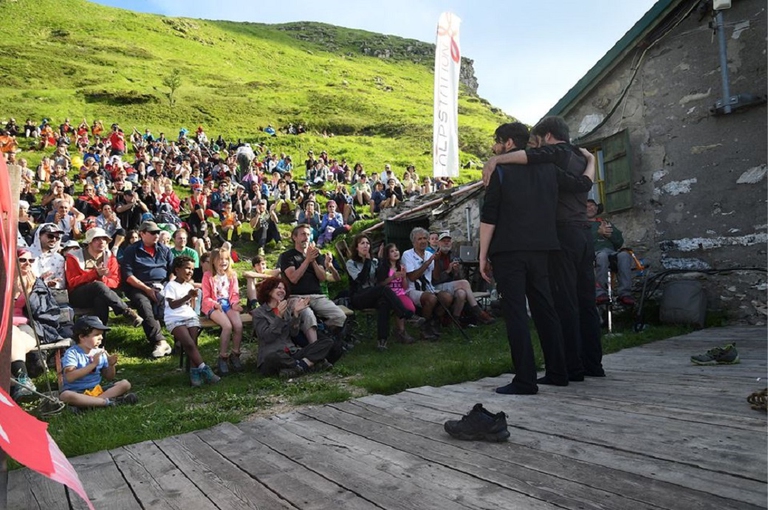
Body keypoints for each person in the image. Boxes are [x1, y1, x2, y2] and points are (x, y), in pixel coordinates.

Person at [482, 116, 604, 380]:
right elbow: (584, 184)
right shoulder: (578, 159)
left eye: (537, 142)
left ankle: (568, 368)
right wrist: (593, 160)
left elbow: (525, 159)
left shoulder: (553, 154)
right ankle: (591, 365)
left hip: (558, 237)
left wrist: (496, 161)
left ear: (548, 137)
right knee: (585, 302)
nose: (535, 148)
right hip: (580, 234)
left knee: (563, 303)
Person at [346, 234, 426, 351]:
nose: (365, 246)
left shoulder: (375, 261)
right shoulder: (351, 263)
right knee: (384, 289)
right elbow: (360, 280)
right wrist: (367, 262)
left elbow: (381, 276)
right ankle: (407, 315)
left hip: (374, 295)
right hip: (359, 296)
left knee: (384, 302)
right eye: (362, 243)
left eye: (367, 243)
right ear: (356, 247)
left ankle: (382, 341)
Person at [251, 277, 335, 378]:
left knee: (326, 342)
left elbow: (293, 333)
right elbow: (267, 337)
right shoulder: (258, 313)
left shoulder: (285, 310)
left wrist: (296, 314)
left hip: (291, 353)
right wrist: (279, 318)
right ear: (268, 291)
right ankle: (311, 364)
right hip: (272, 356)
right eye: (279, 288)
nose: (282, 291)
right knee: (274, 357)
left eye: (284, 289)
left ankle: (298, 367)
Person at [278, 224, 347, 344]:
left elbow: (321, 278)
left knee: (340, 316)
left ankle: (322, 334)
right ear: (294, 237)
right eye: (303, 234)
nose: (306, 237)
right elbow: (293, 278)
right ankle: (315, 350)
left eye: (309, 235)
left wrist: (313, 261)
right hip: (296, 296)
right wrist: (306, 260)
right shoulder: (287, 256)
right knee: (309, 316)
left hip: (317, 296)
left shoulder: (316, 255)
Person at [65, 227, 143, 329]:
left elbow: (115, 282)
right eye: (97, 239)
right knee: (98, 285)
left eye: (104, 239)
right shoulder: (74, 257)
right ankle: (126, 311)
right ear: (89, 242)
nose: (101, 242)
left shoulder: (110, 257)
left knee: (100, 299)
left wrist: (102, 279)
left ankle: (100, 340)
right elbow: (72, 282)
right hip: (78, 295)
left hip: (102, 294)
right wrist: (94, 274)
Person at [59, 316, 138, 410]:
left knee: (125, 384)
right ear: (82, 337)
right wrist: (92, 365)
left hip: (97, 390)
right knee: (65, 395)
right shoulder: (72, 353)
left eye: (101, 334)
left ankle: (91, 403)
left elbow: (109, 377)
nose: (101, 337)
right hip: (77, 392)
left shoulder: (100, 352)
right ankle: (108, 402)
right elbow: (70, 377)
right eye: (96, 335)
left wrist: (111, 364)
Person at [121, 220, 175, 358]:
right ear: (142, 234)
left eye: (157, 232)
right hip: (138, 286)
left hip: (161, 284)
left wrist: (170, 284)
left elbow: (173, 270)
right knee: (144, 304)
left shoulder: (164, 249)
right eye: (152, 232)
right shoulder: (131, 250)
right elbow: (128, 275)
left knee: (172, 301)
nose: (156, 235)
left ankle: (181, 339)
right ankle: (159, 341)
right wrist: (146, 289)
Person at [164, 256, 220, 386]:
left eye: (192, 269)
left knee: (193, 344)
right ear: (177, 270)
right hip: (175, 318)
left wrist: (192, 299)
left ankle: (194, 373)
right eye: (187, 268)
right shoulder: (171, 285)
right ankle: (205, 370)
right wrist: (187, 296)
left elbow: (191, 306)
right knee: (188, 344)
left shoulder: (189, 285)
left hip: (190, 317)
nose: (190, 271)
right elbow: (172, 305)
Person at [431, 232, 495, 325]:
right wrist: (448, 271)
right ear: (439, 243)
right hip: (436, 286)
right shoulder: (435, 257)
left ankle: (455, 320)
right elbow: (435, 279)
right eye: (444, 241)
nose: (446, 243)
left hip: (450, 285)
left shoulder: (452, 256)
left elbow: (458, 278)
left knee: (462, 293)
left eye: (448, 241)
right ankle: (478, 312)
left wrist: (456, 272)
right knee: (464, 283)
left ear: (451, 243)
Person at [402, 227, 453, 340]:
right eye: (419, 239)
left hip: (428, 288)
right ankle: (424, 328)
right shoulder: (407, 255)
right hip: (412, 289)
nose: (423, 241)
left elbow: (435, 276)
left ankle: (434, 322)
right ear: (413, 241)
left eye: (425, 238)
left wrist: (436, 261)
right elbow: (412, 276)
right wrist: (429, 262)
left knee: (447, 297)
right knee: (431, 298)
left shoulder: (429, 254)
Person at [201, 246, 244, 376]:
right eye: (220, 259)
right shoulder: (208, 276)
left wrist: (235, 303)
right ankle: (223, 357)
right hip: (212, 305)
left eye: (226, 259)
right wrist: (214, 304)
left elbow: (234, 293)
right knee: (227, 326)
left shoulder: (232, 275)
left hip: (228, 304)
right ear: (213, 261)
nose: (223, 262)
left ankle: (235, 354)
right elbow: (206, 297)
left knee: (238, 325)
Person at [587, 199, 635, 306]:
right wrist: (598, 233)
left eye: (592, 205)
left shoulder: (606, 223)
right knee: (602, 256)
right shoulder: (582, 226)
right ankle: (600, 293)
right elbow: (581, 243)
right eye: (586, 206)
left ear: (596, 208)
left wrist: (610, 235)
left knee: (624, 255)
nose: (590, 208)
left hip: (611, 253)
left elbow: (619, 242)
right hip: (594, 254)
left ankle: (625, 294)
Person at [29, 223, 67, 291]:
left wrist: (54, 284)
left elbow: (62, 283)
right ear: (39, 235)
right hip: (26, 294)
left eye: (57, 238)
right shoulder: (26, 254)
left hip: (49, 296)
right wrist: (40, 281)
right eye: (50, 236)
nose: (54, 240)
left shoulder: (59, 259)